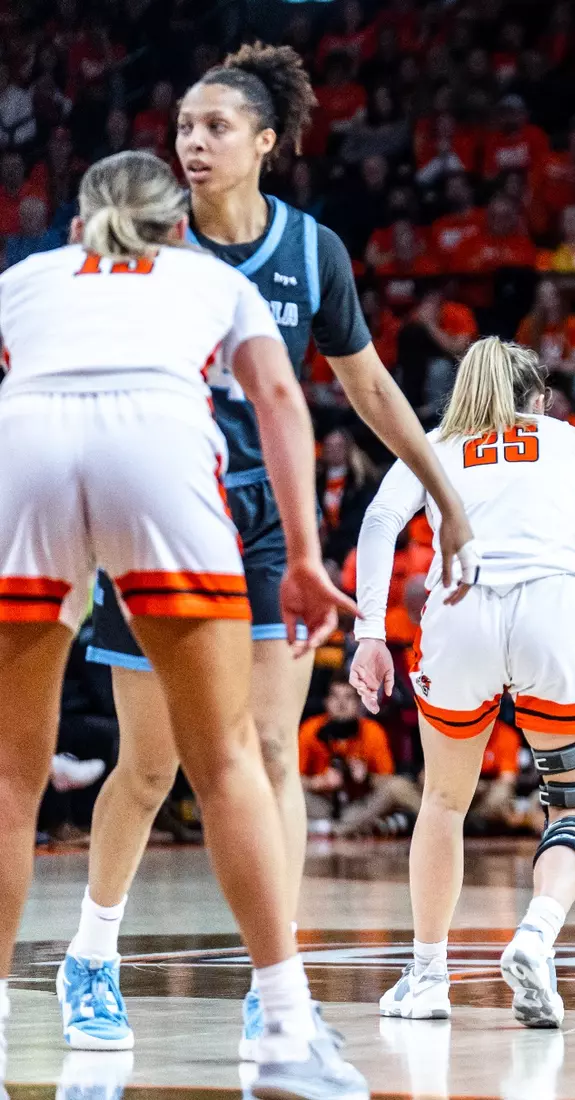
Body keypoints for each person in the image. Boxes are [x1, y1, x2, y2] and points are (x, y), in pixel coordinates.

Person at [64, 45, 479, 1061]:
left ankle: (275, 987)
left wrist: (444, 489)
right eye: (182, 127)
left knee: (266, 752)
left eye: (213, 127)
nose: (190, 142)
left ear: (266, 142)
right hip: (160, 513)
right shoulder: (145, 244)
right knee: (153, 764)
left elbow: (370, 387)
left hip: (266, 523)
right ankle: (93, 953)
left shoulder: (313, 250)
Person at [0, 150, 362, 1091]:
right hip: (157, 443)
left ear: (80, 224)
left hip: (26, 440)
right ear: (173, 226)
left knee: (8, 774)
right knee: (229, 755)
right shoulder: (207, 275)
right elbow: (282, 400)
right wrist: (308, 558)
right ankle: (284, 1024)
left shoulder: (25, 275)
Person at [348, 337, 575, 1029]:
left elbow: (378, 521)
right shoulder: (568, 439)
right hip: (555, 611)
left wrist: (371, 630)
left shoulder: (436, 442)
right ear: (538, 399)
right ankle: (537, 934)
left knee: (445, 802)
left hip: (462, 612)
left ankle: (427, 975)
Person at [297, 677, 397, 833]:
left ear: (359, 703)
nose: (341, 704)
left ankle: (331, 829)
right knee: (286, 792)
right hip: (322, 805)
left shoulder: (373, 731)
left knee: (398, 788)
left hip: (357, 806)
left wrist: (367, 777)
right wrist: (316, 783)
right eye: (335, 697)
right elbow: (291, 780)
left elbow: (388, 780)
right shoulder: (310, 729)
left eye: (348, 697)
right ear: (326, 702)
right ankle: (348, 829)